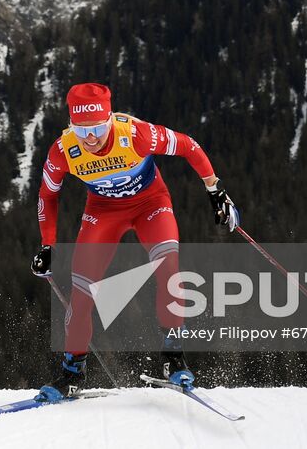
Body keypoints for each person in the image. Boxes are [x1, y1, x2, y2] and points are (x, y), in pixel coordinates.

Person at [30, 82, 239, 401]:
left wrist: (214, 190)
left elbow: (188, 146)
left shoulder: (136, 134)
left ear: (110, 119)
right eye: (81, 129)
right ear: (71, 125)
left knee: (168, 268)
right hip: (102, 212)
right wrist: (48, 245)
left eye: (98, 127)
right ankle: (72, 372)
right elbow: (48, 194)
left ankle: (173, 358)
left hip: (150, 204)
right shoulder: (63, 150)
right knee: (82, 289)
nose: (90, 138)